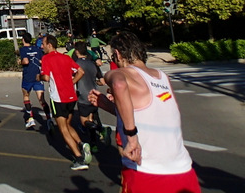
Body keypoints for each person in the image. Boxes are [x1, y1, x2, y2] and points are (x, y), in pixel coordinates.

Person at [89, 31, 200, 193]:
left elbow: (119, 85)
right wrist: (110, 107)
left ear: (118, 54)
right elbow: (153, 114)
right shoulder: (162, 77)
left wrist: (132, 137)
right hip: (183, 172)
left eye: (113, 57)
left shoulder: (120, 73)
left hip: (146, 172)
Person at [38, 34, 90, 171]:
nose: (42, 47)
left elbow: (46, 78)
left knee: (62, 128)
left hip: (58, 98)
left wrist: (39, 76)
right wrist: (71, 82)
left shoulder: (46, 58)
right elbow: (81, 71)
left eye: (43, 44)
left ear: (50, 45)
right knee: (68, 123)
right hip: (71, 97)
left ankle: (79, 158)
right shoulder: (65, 57)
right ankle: (81, 143)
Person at [19, 31, 51, 129]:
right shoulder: (37, 49)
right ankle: (48, 119)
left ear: (23, 40)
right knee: (42, 100)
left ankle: (30, 118)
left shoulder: (23, 49)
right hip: (38, 76)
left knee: (26, 95)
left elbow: (26, 61)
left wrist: (20, 62)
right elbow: (42, 61)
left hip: (28, 76)